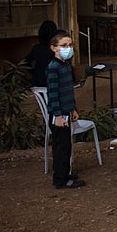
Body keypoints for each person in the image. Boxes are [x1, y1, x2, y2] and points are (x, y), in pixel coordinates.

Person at [46, 30, 86, 189]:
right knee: (60, 147)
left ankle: (66, 173)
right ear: (54, 48)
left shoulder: (65, 65)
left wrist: (73, 109)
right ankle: (60, 178)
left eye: (69, 45)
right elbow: (53, 94)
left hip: (66, 111)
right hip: (58, 114)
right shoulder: (53, 67)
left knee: (66, 145)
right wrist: (58, 115)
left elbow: (68, 91)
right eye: (63, 45)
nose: (67, 48)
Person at [24, 20, 58, 87]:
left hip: (37, 82)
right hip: (53, 83)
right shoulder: (56, 49)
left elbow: (25, 62)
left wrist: (33, 72)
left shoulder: (36, 48)